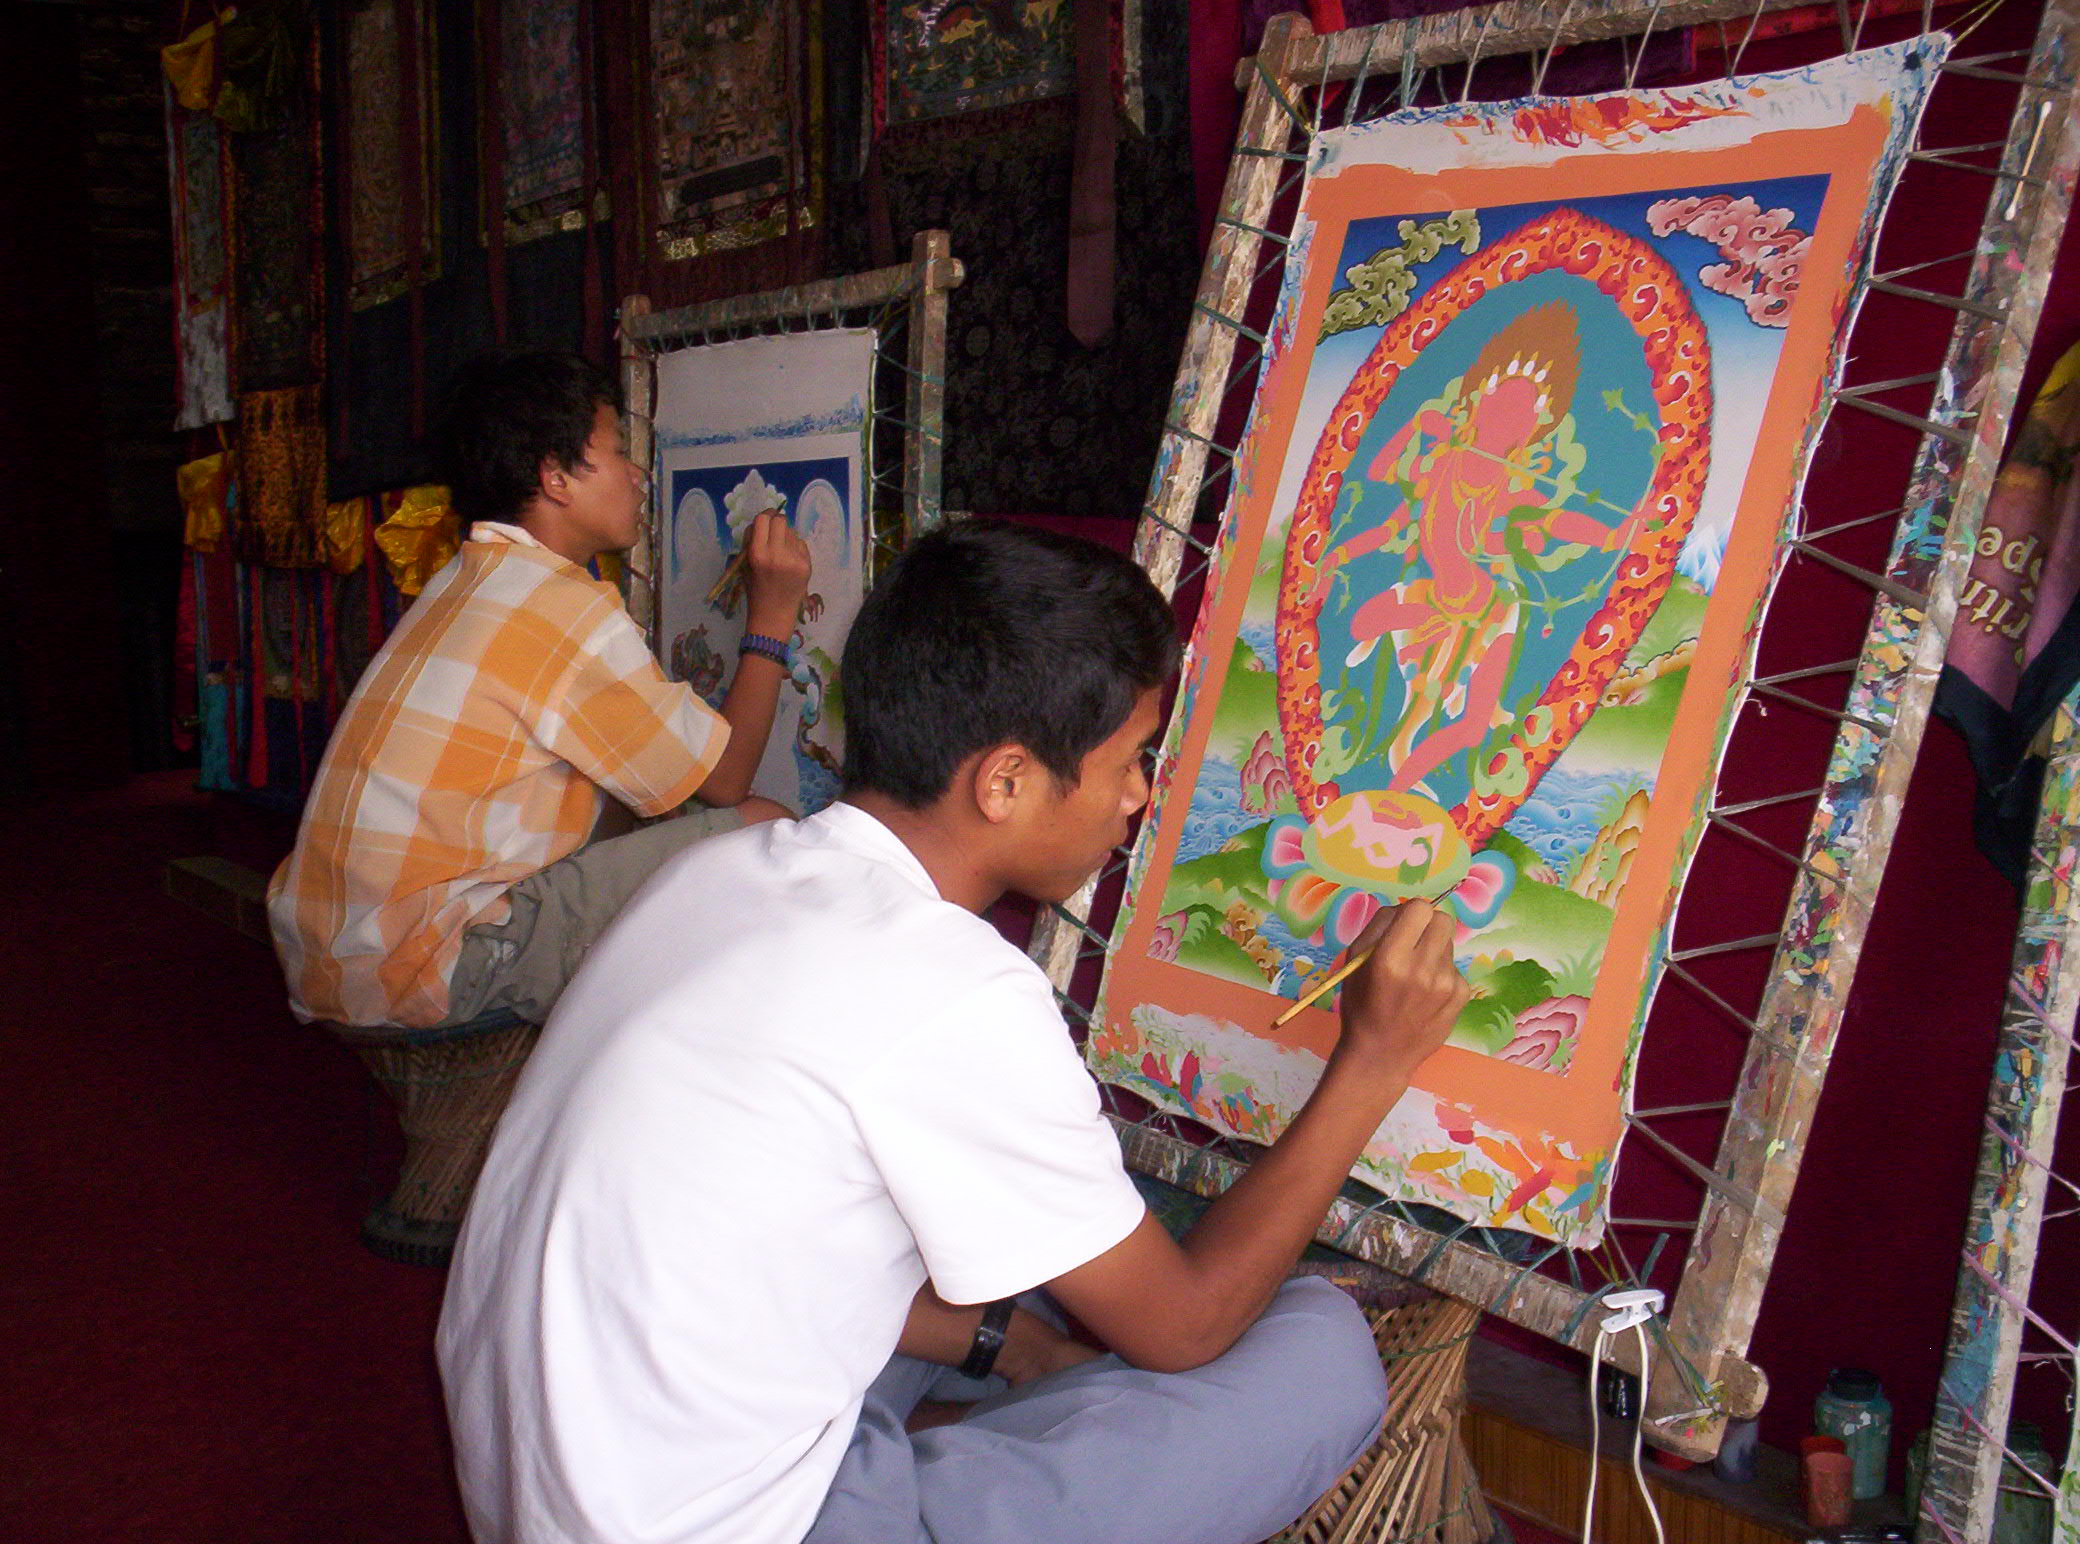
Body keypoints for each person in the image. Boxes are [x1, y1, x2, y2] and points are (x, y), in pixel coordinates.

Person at [436, 519, 1471, 1544]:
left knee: (1040, 1267)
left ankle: (948, 1426)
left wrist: (1011, 1344)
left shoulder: (718, 868)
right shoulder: (955, 985)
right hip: (708, 1523)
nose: (1139, 796)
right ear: (1004, 781)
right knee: (1320, 1352)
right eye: (1129, 759)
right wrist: (1372, 1060)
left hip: (546, 1491)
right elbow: (1186, 1326)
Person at [267, 348, 811, 1034]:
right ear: (556, 477)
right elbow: (728, 781)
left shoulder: (470, 578)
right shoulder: (559, 607)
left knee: (638, 815)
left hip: (336, 951)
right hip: (416, 963)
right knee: (764, 832)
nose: (638, 475)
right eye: (618, 451)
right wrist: (772, 618)